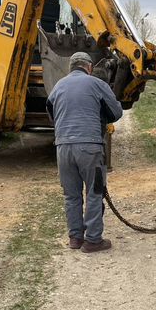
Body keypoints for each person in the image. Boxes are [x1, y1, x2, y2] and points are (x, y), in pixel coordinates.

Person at [46, 52, 123, 253]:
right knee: (94, 192)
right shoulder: (97, 84)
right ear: (89, 67)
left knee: (71, 195)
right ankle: (93, 240)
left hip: (62, 148)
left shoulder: (57, 87)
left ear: (71, 67)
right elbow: (116, 112)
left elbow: (52, 114)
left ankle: (75, 238)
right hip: (89, 147)